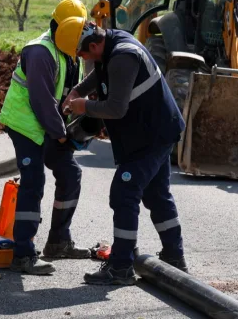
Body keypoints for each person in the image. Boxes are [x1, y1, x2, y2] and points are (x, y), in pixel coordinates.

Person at [58, 17, 187, 285]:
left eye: (81, 53)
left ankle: (121, 267)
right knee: (156, 194)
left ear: (93, 45)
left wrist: (84, 106)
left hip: (152, 136)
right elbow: (100, 75)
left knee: (124, 193)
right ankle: (175, 259)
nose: (82, 58)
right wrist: (78, 91)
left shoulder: (123, 57)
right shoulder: (110, 45)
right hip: (154, 131)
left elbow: (116, 109)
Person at [0, 0, 93, 275]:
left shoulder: (67, 49)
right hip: (26, 126)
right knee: (34, 180)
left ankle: (59, 242)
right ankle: (23, 254)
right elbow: (41, 102)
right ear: (60, 26)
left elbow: (66, 93)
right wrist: (61, 135)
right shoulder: (41, 52)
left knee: (69, 173)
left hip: (48, 125)